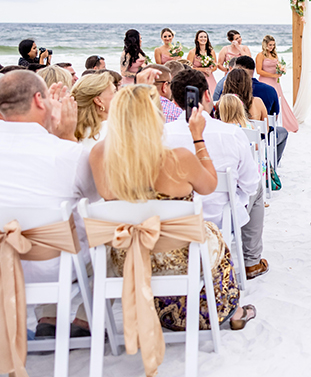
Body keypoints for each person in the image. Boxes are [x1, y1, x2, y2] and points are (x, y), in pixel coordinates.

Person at [88, 85, 256, 332]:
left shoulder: (99, 154)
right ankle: (235, 311)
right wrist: (197, 136)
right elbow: (209, 185)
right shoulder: (178, 158)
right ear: (154, 117)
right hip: (177, 259)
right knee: (214, 235)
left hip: (126, 258)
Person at [0, 70, 98, 338]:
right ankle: (83, 319)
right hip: (50, 268)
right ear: (39, 100)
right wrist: (65, 138)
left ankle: (48, 318)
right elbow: (96, 201)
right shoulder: (68, 153)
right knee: (111, 236)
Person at [166, 69, 267, 280]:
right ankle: (251, 262)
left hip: (176, 220)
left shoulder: (162, 134)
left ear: (175, 103)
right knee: (257, 188)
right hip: (221, 218)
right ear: (206, 95)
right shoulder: (232, 133)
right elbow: (249, 184)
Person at [233, 56, 288, 164]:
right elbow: (274, 117)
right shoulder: (269, 90)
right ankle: (272, 165)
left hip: (234, 138)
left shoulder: (228, 91)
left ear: (238, 69)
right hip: (261, 138)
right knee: (283, 132)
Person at [256, 34, 299, 133]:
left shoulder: (274, 55)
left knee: (279, 101)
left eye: (273, 45)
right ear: (265, 44)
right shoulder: (260, 55)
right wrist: (273, 76)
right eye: (270, 45)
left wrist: (281, 71)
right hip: (265, 81)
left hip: (275, 82)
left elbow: (277, 66)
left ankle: (283, 123)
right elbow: (259, 71)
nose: (272, 47)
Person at [71, 71, 116, 150]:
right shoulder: (114, 130)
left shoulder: (74, 133)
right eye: (114, 92)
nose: (118, 95)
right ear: (99, 101)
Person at [187, 30, 218, 96]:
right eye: (201, 37)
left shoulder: (211, 51)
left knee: (212, 95)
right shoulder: (192, 52)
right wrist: (203, 70)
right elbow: (188, 68)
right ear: (197, 39)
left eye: (205, 37)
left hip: (209, 77)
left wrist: (210, 70)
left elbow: (215, 66)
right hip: (197, 78)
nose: (203, 39)